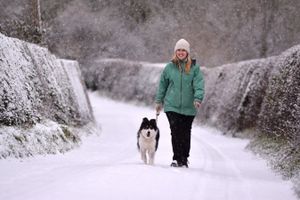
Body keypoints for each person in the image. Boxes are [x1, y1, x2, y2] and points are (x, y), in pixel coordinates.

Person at [155, 38, 205, 168]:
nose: (181, 52)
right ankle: (176, 158)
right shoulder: (169, 67)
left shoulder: (194, 68)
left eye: (183, 50)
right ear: (175, 51)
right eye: (179, 50)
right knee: (175, 131)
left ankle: (184, 158)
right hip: (172, 106)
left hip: (190, 106)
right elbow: (162, 85)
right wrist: (159, 101)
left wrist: (198, 98)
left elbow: (199, 85)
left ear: (187, 52)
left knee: (185, 132)